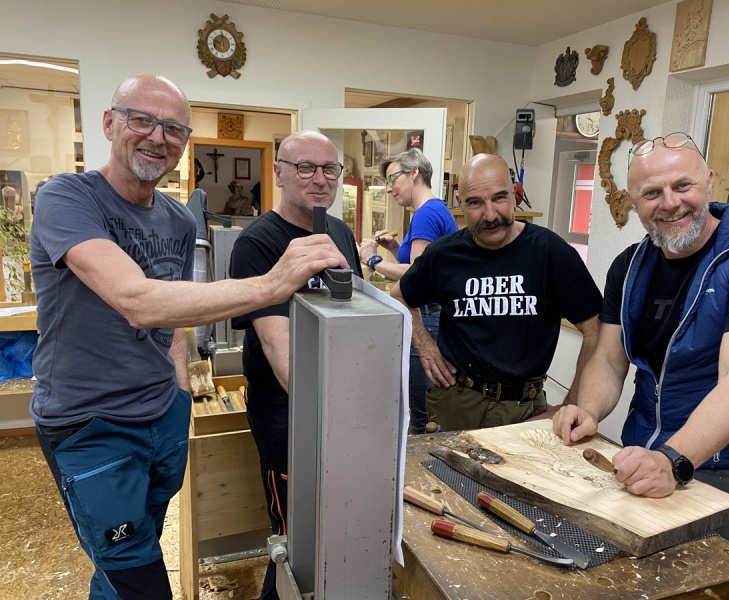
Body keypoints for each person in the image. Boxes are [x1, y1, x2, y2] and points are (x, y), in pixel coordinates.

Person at [29, 75, 348, 600]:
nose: (158, 137)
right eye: (142, 120)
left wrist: (178, 396)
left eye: (174, 129)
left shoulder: (177, 220)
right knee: (138, 577)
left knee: (127, 559)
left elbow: (173, 318)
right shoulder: (67, 197)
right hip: (91, 423)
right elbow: (137, 301)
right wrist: (271, 284)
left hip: (161, 416)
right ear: (109, 123)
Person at [552, 132, 729, 552]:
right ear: (632, 202)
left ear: (709, 182)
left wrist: (672, 459)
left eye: (683, 185)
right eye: (651, 193)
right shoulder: (630, 266)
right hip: (640, 453)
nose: (669, 203)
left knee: (707, 580)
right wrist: (587, 411)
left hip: (722, 465)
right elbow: (609, 359)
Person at [229, 130, 363, 600]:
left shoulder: (338, 233)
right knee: (294, 536)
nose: (320, 179)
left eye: (330, 169)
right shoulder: (258, 243)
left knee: (338, 522)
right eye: (305, 167)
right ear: (280, 173)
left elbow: (354, 318)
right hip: (288, 413)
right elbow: (277, 346)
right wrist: (334, 411)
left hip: (340, 407)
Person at [389, 153, 602, 432]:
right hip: (458, 402)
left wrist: (572, 404)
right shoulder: (444, 254)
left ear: (514, 195)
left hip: (526, 408)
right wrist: (425, 345)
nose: (490, 216)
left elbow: (595, 328)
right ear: (460, 204)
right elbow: (399, 296)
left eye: (499, 198)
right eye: (475, 203)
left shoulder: (550, 252)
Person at [358, 148, 458, 433]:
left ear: (415, 173)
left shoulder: (426, 214)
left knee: (423, 418)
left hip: (427, 319)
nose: (389, 189)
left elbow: (417, 274)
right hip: (435, 317)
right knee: (429, 411)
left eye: (393, 179)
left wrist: (372, 260)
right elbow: (425, 266)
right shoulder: (434, 210)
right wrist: (394, 248)